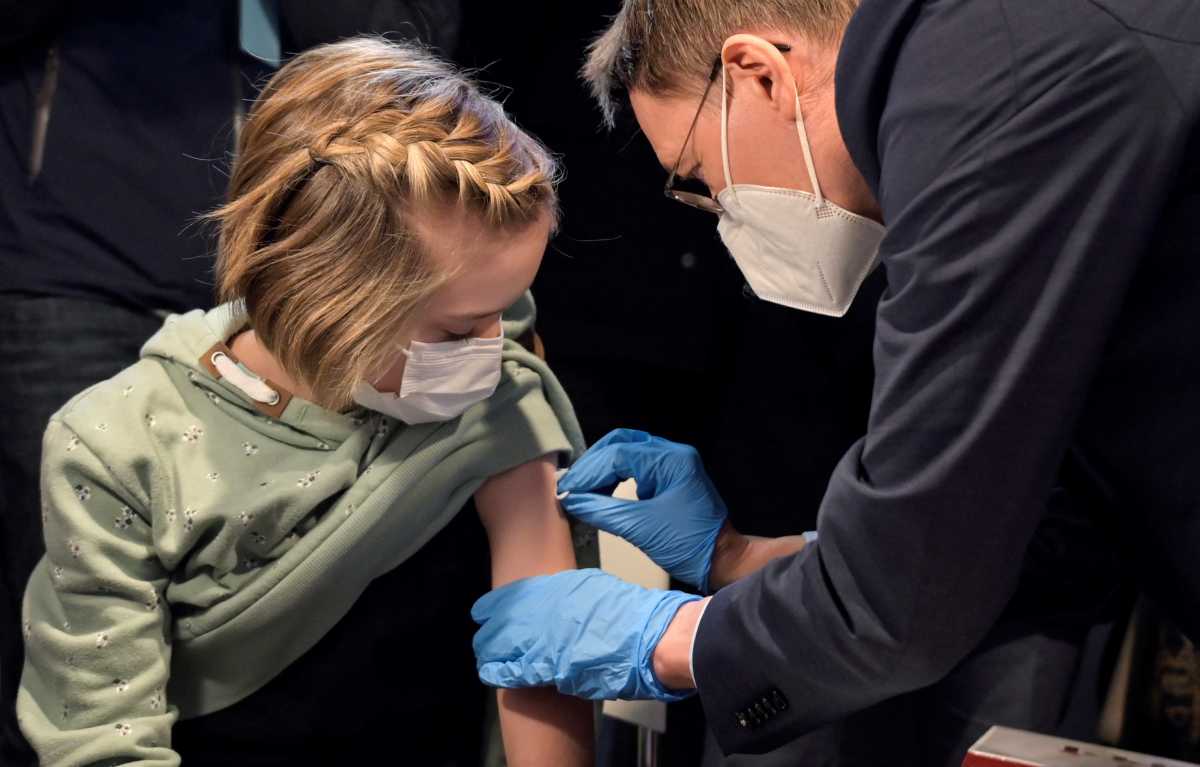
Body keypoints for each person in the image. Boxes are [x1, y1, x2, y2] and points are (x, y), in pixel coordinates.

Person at [469, 0, 1200, 763]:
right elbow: (991, 529)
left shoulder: (982, 97)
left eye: (697, 178)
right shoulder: (978, 60)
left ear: (760, 74)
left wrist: (669, 638)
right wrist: (743, 559)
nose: (715, 213)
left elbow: (910, 595)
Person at [17, 37, 598, 766]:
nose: (499, 342)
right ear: (329, 298)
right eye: (460, 326)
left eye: (507, 308)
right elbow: (102, 738)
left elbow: (543, 656)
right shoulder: (117, 450)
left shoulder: (492, 405)